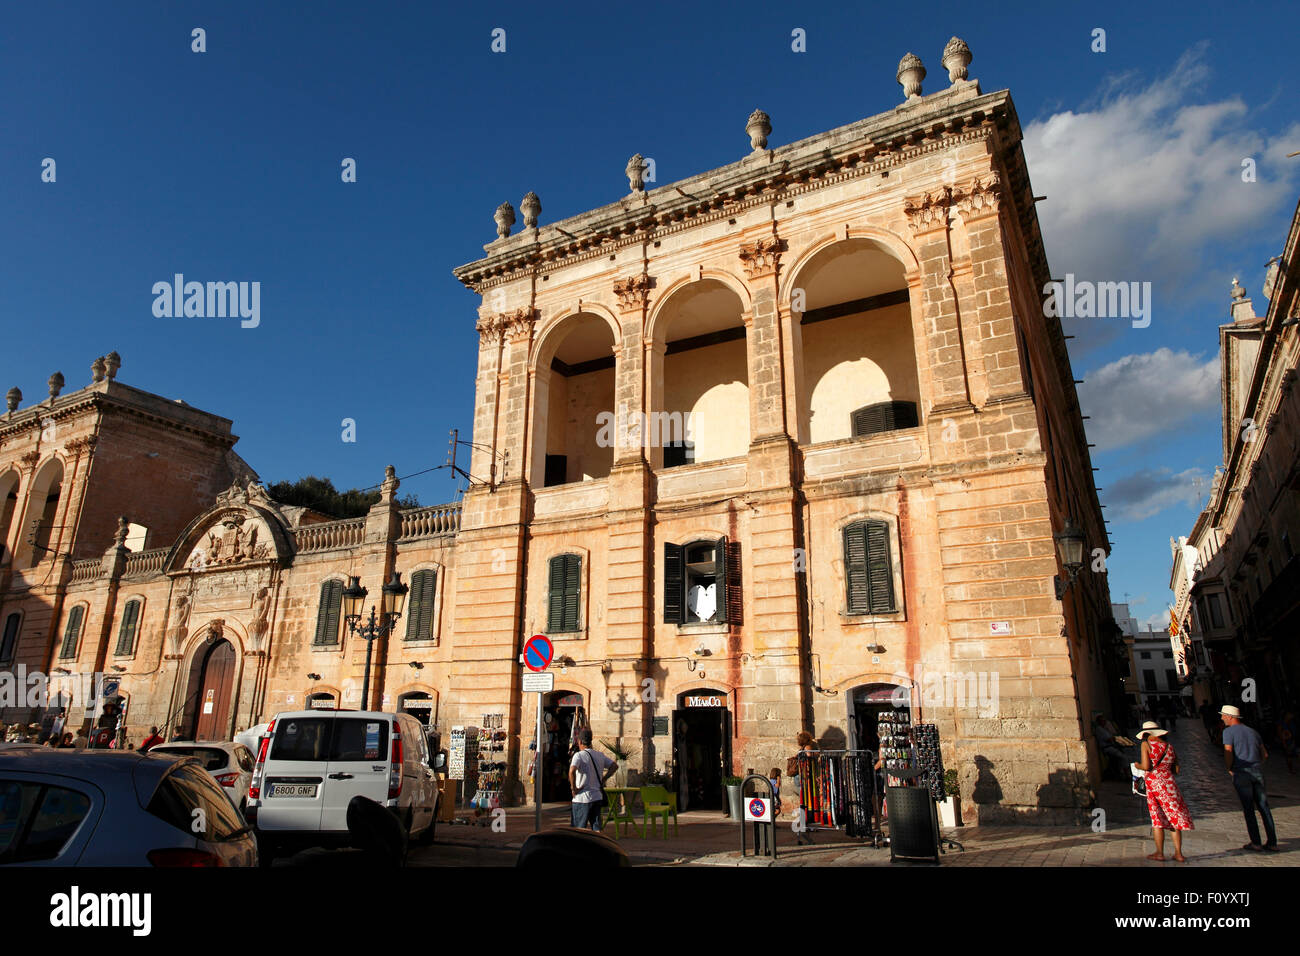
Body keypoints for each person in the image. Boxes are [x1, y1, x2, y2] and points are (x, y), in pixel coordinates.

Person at [1220, 705, 1278, 851]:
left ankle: (1256, 842)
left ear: (1230, 717)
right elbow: (1264, 754)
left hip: (1242, 772)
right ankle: (1272, 843)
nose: (1222, 718)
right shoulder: (1253, 731)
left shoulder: (1228, 732)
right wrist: (1256, 765)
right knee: (1264, 807)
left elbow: (1228, 751)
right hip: (1257, 771)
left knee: (1248, 808)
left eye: (1223, 715)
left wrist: (1229, 768)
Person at [1136, 720, 1192, 862]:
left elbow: (1146, 765)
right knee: (1174, 818)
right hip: (1170, 785)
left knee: (1157, 819)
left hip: (1154, 785)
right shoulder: (1169, 746)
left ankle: (1159, 853)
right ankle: (1178, 853)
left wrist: (1138, 765)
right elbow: (1177, 769)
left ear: (1147, 734)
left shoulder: (1146, 745)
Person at [567, 729, 615, 831]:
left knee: (578, 831)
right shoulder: (600, 755)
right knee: (597, 830)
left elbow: (571, 771)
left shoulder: (578, 755)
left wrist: (573, 788)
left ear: (579, 742)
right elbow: (614, 766)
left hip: (581, 799)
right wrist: (604, 778)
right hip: (597, 797)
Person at [1275, 708, 1298, 775]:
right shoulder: (1281, 724)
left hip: (1293, 740)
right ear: (1287, 715)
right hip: (1287, 742)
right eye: (1290, 714)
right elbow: (1280, 735)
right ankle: (1291, 770)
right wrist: (1284, 743)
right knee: (1289, 756)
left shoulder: (1292, 722)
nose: (1292, 716)